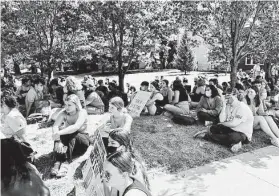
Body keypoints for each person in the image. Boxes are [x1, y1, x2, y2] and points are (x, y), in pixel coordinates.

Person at [194, 88, 254, 152]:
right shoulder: (228, 105)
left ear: (235, 96)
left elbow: (233, 124)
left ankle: (208, 137)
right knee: (214, 128)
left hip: (242, 133)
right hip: (231, 129)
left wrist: (222, 124)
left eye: (229, 96)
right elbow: (222, 120)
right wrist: (224, 106)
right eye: (225, 96)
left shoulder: (242, 107)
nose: (226, 98)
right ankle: (234, 143)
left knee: (232, 137)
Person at [51, 94, 90, 177]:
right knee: (63, 133)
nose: (66, 107)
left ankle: (65, 162)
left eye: (69, 105)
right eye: (65, 104)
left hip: (82, 141)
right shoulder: (63, 113)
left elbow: (75, 127)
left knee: (70, 133)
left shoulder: (82, 112)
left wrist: (59, 133)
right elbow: (55, 126)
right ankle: (58, 162)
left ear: (76, 105)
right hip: (70, 142)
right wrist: (58, 140)